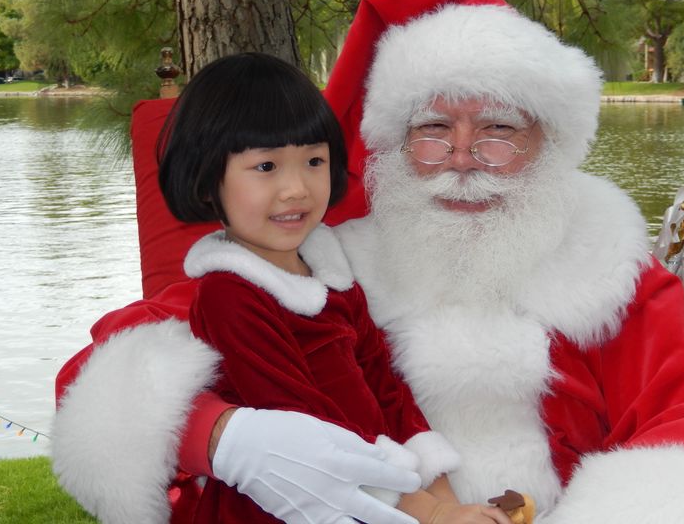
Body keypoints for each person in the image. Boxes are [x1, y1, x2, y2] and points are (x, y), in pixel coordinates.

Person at [52, 0, 684, 524]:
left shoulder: (605, 263)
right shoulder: (328, 256)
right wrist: (224, 439)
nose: (461, 159)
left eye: (499, 131)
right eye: (433, 129)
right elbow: (110, 361)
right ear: (392, 146)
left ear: (550, 144)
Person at [153, 51, 504, 524]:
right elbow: (307, 440)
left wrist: (445, 496)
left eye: (313, 160)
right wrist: (432, 516)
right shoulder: (230, 295)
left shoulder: (330, 275)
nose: (297, 188)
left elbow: (386, 388)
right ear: (206, 182)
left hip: (381, 491)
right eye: (266, 168)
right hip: (292, 504)